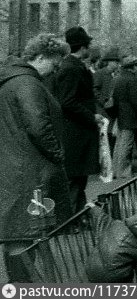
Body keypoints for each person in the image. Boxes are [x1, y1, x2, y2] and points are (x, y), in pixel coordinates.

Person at [1, 33, 73, 278]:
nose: (56, 69)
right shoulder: (27, 84)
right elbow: (39, 126)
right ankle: (20, 288)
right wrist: (58, 154)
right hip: (28, 172)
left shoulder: (14, 81)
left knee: (18, 233)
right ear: (40, 56)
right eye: (54, 63)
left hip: (15, 167)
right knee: (25, 233)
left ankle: (18, 285)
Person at [51, 27, 100, 212]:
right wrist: (91, 116)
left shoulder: (74, 66)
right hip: (75, 131)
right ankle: (69, 219)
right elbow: (67, 101)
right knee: (74, 177)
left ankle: (78, 215)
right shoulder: (71, 68)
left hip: (79, 130)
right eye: (89, 44)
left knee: (79, 178)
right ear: (83, 47)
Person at [84, 202, 137, 283]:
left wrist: (93, 207)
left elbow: (102, 218)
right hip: (114, 278)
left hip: (92, 268)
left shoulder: (117, 224)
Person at [111, 53, 137, 179]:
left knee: (119, 144)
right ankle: (124, 172)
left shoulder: (118, 78)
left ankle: (115, 170)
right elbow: (136, 101)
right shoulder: (133, 80)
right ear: (133, 67)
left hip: (120, 114)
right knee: (127, 145)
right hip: (130, 116)